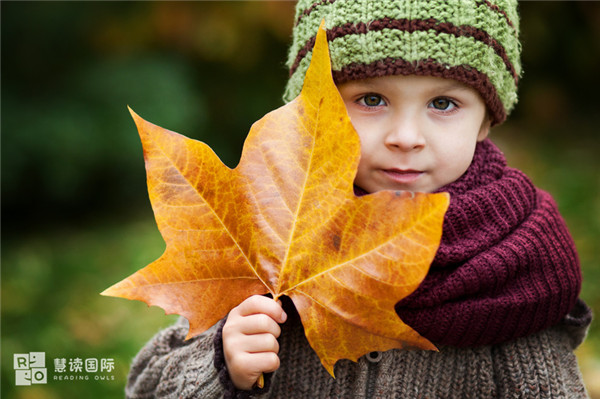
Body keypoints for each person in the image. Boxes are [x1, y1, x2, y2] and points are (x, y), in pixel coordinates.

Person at [125, 1, 592, 398]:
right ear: (314, 110)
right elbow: (145, 386)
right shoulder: (269, 234)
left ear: (487, 120)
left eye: (443, 104)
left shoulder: (510, 272)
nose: (406, 137)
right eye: (371, 99)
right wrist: (222, 365)